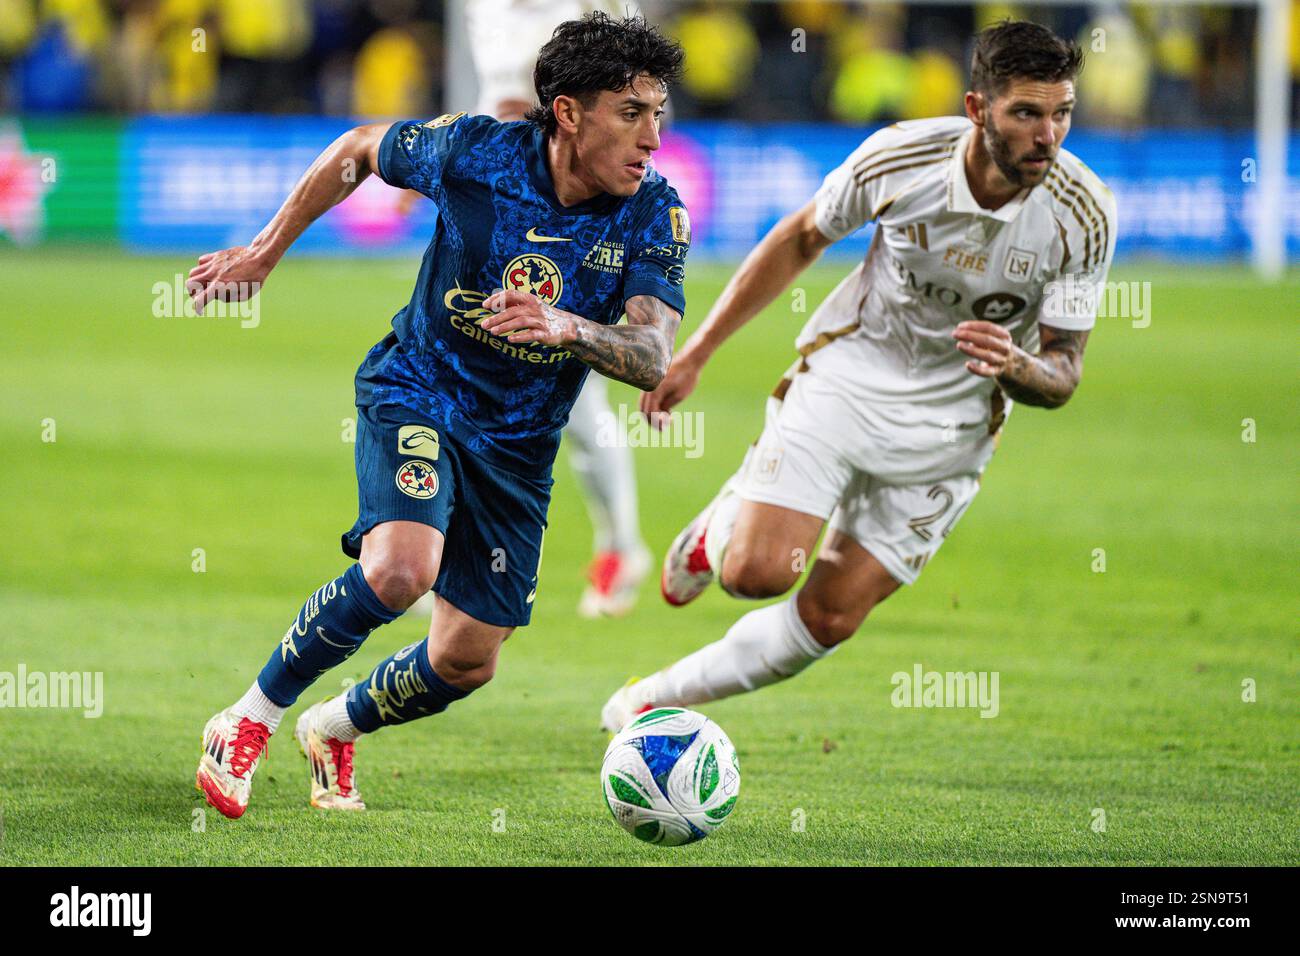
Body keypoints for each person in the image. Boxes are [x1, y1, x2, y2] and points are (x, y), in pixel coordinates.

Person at [189, 12, 689, 817]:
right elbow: (357, 148)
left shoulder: (655, 213)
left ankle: (333, 726)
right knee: (401, 569)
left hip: (518, 447)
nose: (654, 138)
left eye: (659, 114)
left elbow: (652, 353)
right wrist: (265, 252)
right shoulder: (477, 152)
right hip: (419, 388)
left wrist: (568, 326)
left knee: (465, 661)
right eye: (632, 113)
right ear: (568, 112)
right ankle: (247, 718)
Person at [601, 19, 1116, 730]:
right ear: (977, 109)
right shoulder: (902, 159)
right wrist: (695, 353)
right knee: (757, 574)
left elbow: (1065, 369)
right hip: (849, 378)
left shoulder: (1084, 214)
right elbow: (802, 235)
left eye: (1062, 113)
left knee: (831, 616)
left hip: (953, 431)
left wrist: (1022, 366)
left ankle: (653, 699)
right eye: (1026, 113)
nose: (1048, 135)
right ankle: (718, 527)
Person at [466, 0, 654, 618]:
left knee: (571, 392)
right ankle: (448, 550)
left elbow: (634, 95)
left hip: (569, 206)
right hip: (502, 194)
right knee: (466, 368)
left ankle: (620, 547)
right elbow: (495, 96)